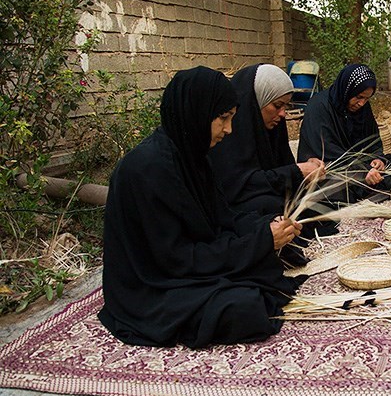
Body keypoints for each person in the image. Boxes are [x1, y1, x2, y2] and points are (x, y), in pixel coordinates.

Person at [98, 66, 305, 349]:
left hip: (185, 263)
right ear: (195, 111)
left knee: (267, 269)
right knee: (243, 307)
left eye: (231, 118)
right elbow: (176, 259)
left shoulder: (194, 156)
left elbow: (222, 217)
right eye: (223, 118)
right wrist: (259, 242)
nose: (229, 130)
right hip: (153, 284)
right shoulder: (148, 170)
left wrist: (268, 228)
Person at [209, 63, 325, 216]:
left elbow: (281, 169)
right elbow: (238, 186)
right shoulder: (229, 132)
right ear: (258, 101)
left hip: (267, 194)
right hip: (237, 203)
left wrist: (307, 170)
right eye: (277, 105)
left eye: (286, 106)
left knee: (316, 198)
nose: (283, 114)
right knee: (271, 206)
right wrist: (296, 172)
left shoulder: (274, 129)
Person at [297, 63, 391, 205]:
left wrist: (378, 160)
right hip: (333, 170)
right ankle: (371, 190)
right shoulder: (318, 107)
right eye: (359, 97)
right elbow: (328, 152)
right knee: (333, 189)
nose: (361, 103)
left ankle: (370, 189)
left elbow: (372, 139)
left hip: (363, 166)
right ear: (347, 90)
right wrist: (362, 171)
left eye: (367, 99)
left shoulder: (362, 108)